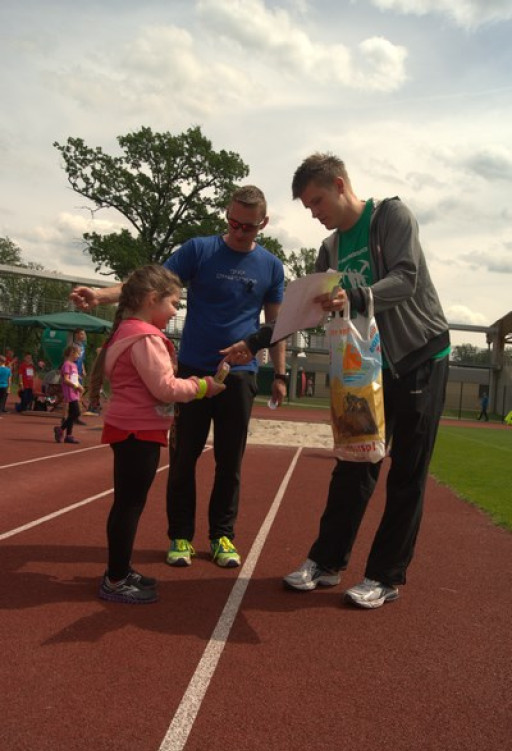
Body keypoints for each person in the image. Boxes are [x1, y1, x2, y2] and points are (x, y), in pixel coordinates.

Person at [229, 154, 450, 609]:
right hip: (366, 368)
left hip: (419, 357)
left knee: (407, 472)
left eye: (317, 201)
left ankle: (385, 576)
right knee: (353, 464)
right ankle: (326, 562)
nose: (314, 213)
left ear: (339, 184)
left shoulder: (390, 216)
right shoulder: (329, 250)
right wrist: (256, 340)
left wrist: (357, 294)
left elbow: (406, 279)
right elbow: (306, 310)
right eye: (308, 207)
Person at [69, 185, 287, 570]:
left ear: (263, 224)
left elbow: (277, 324)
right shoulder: (199, 250)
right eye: (234, 222)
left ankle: (222, 536)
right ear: (226, 215)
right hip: (190, 370)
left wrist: (282, 372)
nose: (239, 232)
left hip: (240, 374)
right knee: (183, 458)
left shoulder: (270, 265)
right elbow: (147, 287)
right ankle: (180, 536)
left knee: (229, 462)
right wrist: (101, 297)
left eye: (248, 227)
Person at [87, 265, 225, 604]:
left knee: (127, 503)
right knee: (129, 505)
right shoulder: (146, 337)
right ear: (152, 299)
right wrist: (203, 386)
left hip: (129, 427)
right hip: (138, 430)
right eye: (174, 303)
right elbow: (164, 388)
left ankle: (119, 569)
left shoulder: (125, 331)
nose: (176, 311)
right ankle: (116, 579)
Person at [53, 344, 84, 444]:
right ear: (72, 353)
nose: (78, 356)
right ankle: (60, 429)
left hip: (74, 391)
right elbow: (66, 380)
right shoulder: (67, 364)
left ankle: (69, 435)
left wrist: (79, 386)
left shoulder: (74, 365)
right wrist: (75, 386)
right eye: (77, 353)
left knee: (72, 413)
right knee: (76, 413)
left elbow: (74, 378)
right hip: (69, 392)